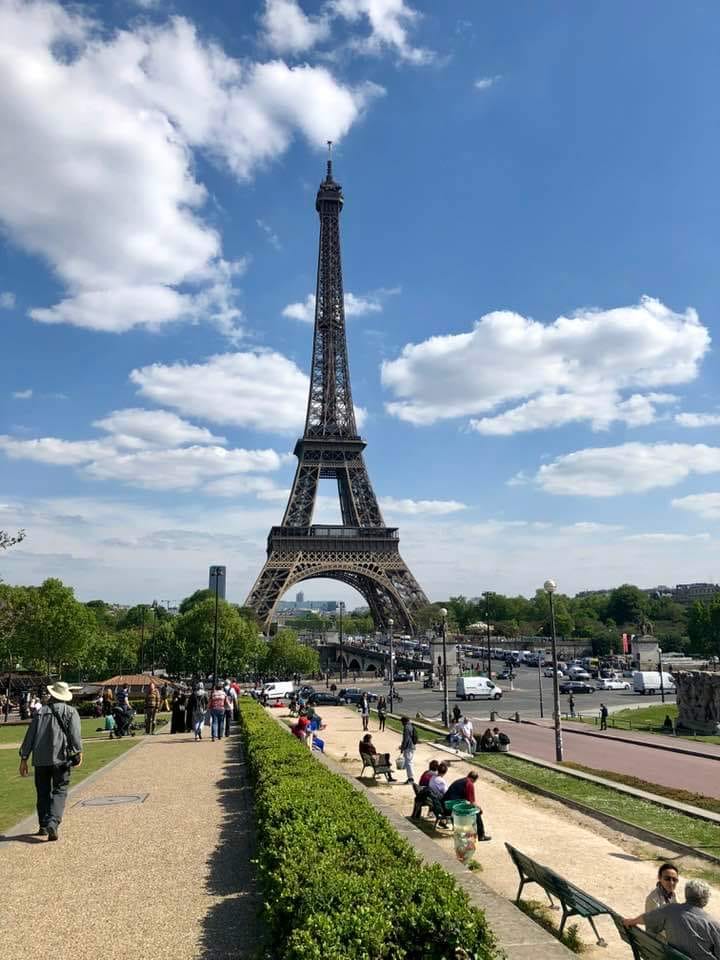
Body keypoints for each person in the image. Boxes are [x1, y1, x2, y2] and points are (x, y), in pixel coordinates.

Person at [19, 681, 83, 841]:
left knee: (42, 793)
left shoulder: (40, 713)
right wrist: (78, 751)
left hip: (40, 759)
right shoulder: (70, 711)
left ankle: (43, 825)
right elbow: (75, 735)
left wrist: (24, 758)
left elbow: (30, 737)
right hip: (60, 757)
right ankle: (53, 822)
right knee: (60, 790)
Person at [624, 878, 720, 959]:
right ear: (706, 899)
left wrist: (632, 921)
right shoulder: (713, 925)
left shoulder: (670, 909)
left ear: (687, 894)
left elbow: (646, 918)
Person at [442, 770, 491, 841]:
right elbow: (472, 802)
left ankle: (472, 831)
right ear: (475, 779)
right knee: (476, 812)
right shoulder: (469, 783)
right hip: (450, 806)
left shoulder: (461, 781)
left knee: (471, 809)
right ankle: (481, 835)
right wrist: (479, 808)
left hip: (446, 804)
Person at [400, 715, 418, 784]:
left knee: (408, 763)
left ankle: (411, 778)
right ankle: (410, 777)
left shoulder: (406, 727)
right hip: (411, 746)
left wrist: (402, 747)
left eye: (402, 722)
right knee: (409, 762)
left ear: (404, 721)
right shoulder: (411, 726)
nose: (401, 724)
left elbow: (406, 739)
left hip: (408, 747)